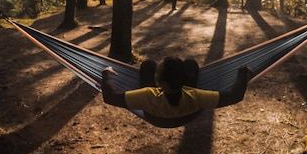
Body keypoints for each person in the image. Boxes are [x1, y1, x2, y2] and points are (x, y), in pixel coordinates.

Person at [102, 57, 252, 123]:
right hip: (186, 115)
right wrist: (242, 74)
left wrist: (107, 74)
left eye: (157, 73)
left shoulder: (148, 96)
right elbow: (234, 96)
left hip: (156, 117)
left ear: (163, 84)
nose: (155, 74)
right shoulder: (195, 96)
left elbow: (110, 97)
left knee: (148, 64)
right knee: (191, 63)